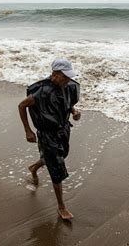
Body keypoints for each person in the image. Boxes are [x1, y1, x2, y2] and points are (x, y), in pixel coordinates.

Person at [18, 59, 81, 220]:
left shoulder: (68, 86)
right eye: (64, 77)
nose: (68, 80)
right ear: (54, 75)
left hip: (63, 129)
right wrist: (28, 130)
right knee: (57, 168)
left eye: (69, 76)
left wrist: (74, 111)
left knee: (61, 155)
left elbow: (66, 102)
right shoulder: (41, 92)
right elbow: (22, 105)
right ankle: (61, 206)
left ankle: (34, 168)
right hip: (47, 133)